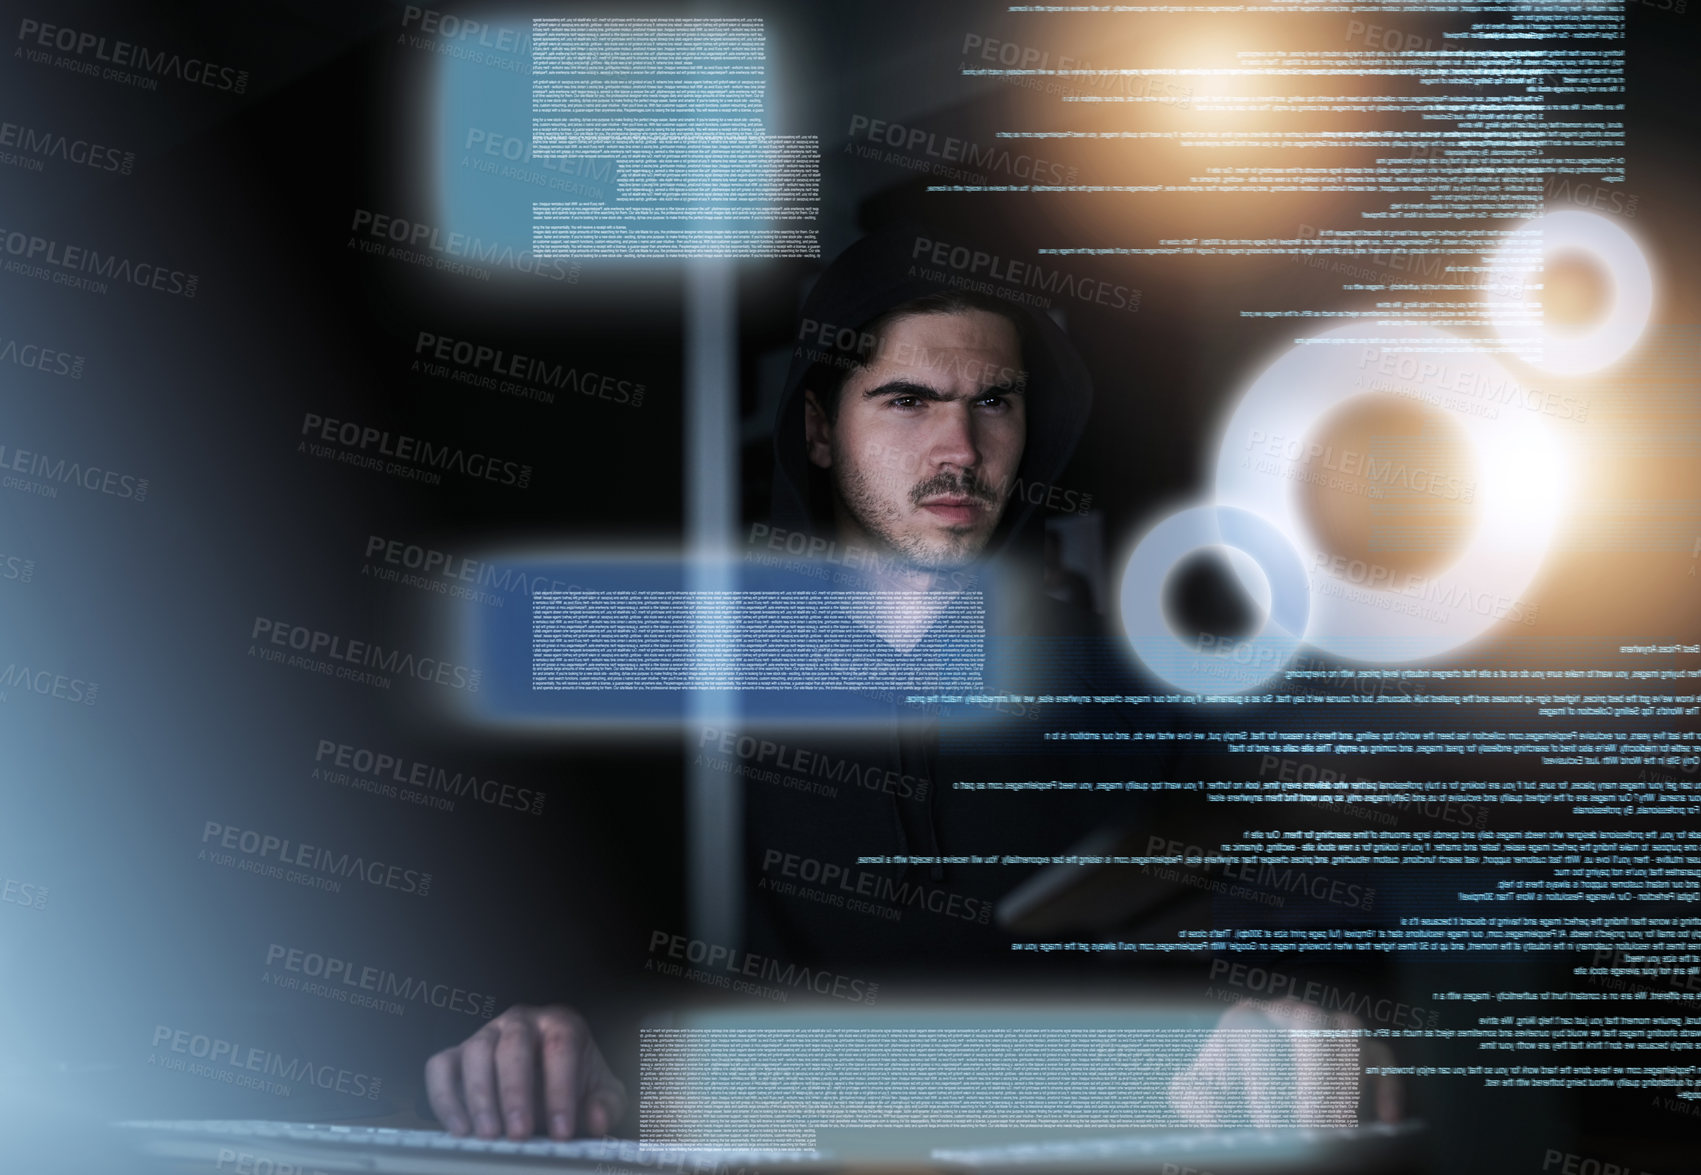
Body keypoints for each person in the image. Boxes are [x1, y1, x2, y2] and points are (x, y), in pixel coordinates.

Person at [422, 231, 1398, 1141]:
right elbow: (557, 952)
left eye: (994, 402)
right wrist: (534, 1028)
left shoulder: (1132, 691)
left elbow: (1296, 928)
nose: (961, 451)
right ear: (818, 425)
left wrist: (1297, 1013)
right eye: (908, 400)